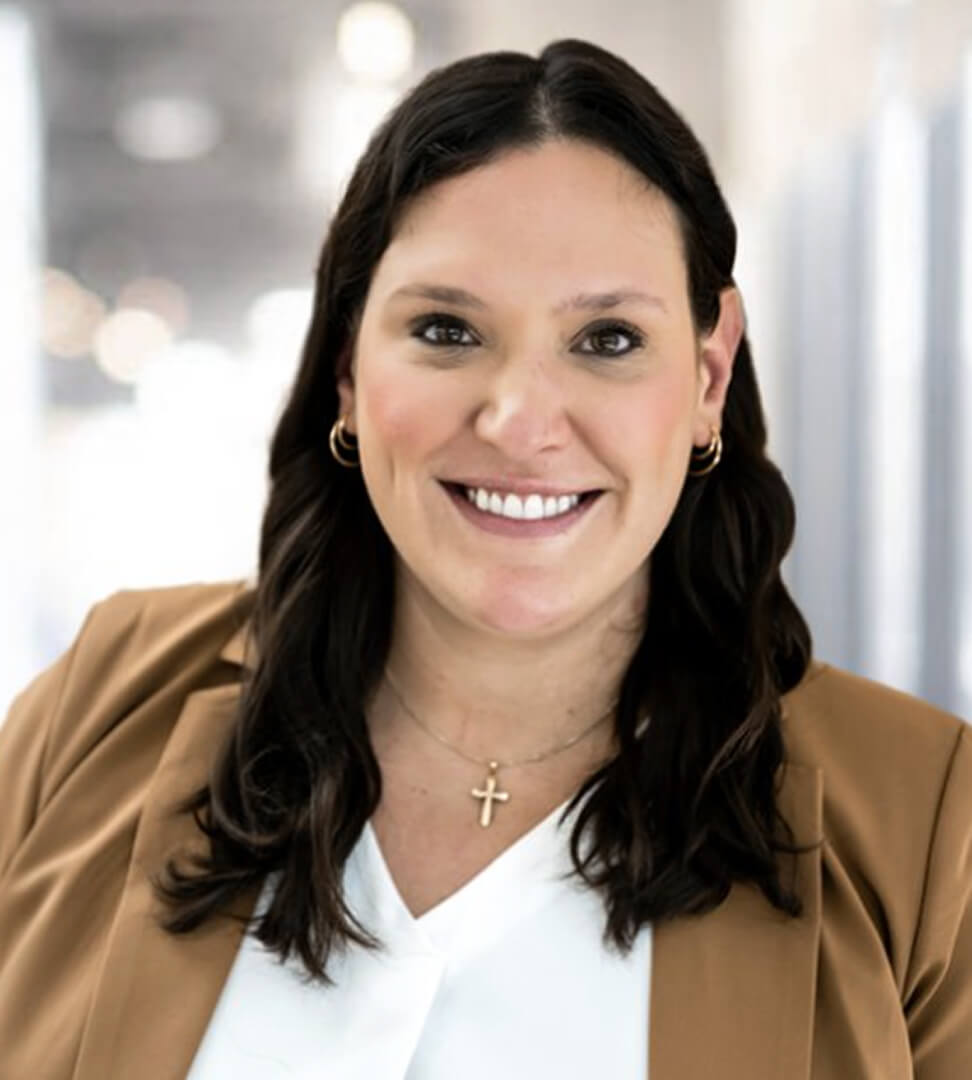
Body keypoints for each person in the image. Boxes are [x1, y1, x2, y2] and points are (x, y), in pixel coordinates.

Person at [1, 38, 969, 1080]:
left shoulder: (926, 826)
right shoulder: (104, 700)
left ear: (707, 374)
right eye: (447, 330)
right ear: (345, 365)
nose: (517, 422)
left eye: (605, 339)